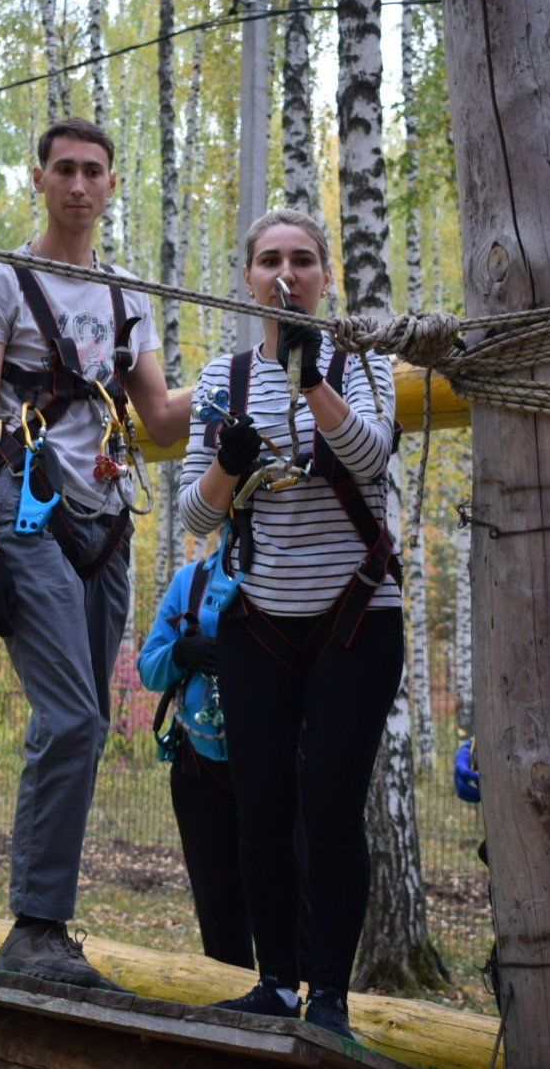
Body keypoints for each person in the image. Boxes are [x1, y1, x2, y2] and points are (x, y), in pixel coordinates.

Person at [0, 118, 189, 991]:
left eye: (95, 171)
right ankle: (36, 928)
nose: (80, 184)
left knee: (85, 732)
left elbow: (159, 418)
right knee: (75, 718)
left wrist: (258, 377)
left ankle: (45, 929)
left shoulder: (130, 300)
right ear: (39, 179)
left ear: (112, 185)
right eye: (65, 170)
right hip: (26, 518)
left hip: (106, 524)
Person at [177, 208, 401, 1041]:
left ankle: (331, 1000)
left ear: (325, 276)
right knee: (262, 808)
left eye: (303, 260)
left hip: (357, 616)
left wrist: (313, 382)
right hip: (261, 619)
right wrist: (231, 463)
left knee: (332, 809)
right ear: (248, 278)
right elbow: (197, 516)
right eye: (270, 259)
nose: (287, 273)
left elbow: (377, 458)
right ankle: (274, 984)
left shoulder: (365, 364)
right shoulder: (221, 378)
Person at [137, 543, 253, 970]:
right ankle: (229, 1019)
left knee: (288, 900)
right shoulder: (191, 580)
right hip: (198, 771)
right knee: (217, 907)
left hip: (274, 770)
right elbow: (149, 667)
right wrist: (179, 654)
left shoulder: (284, 581)